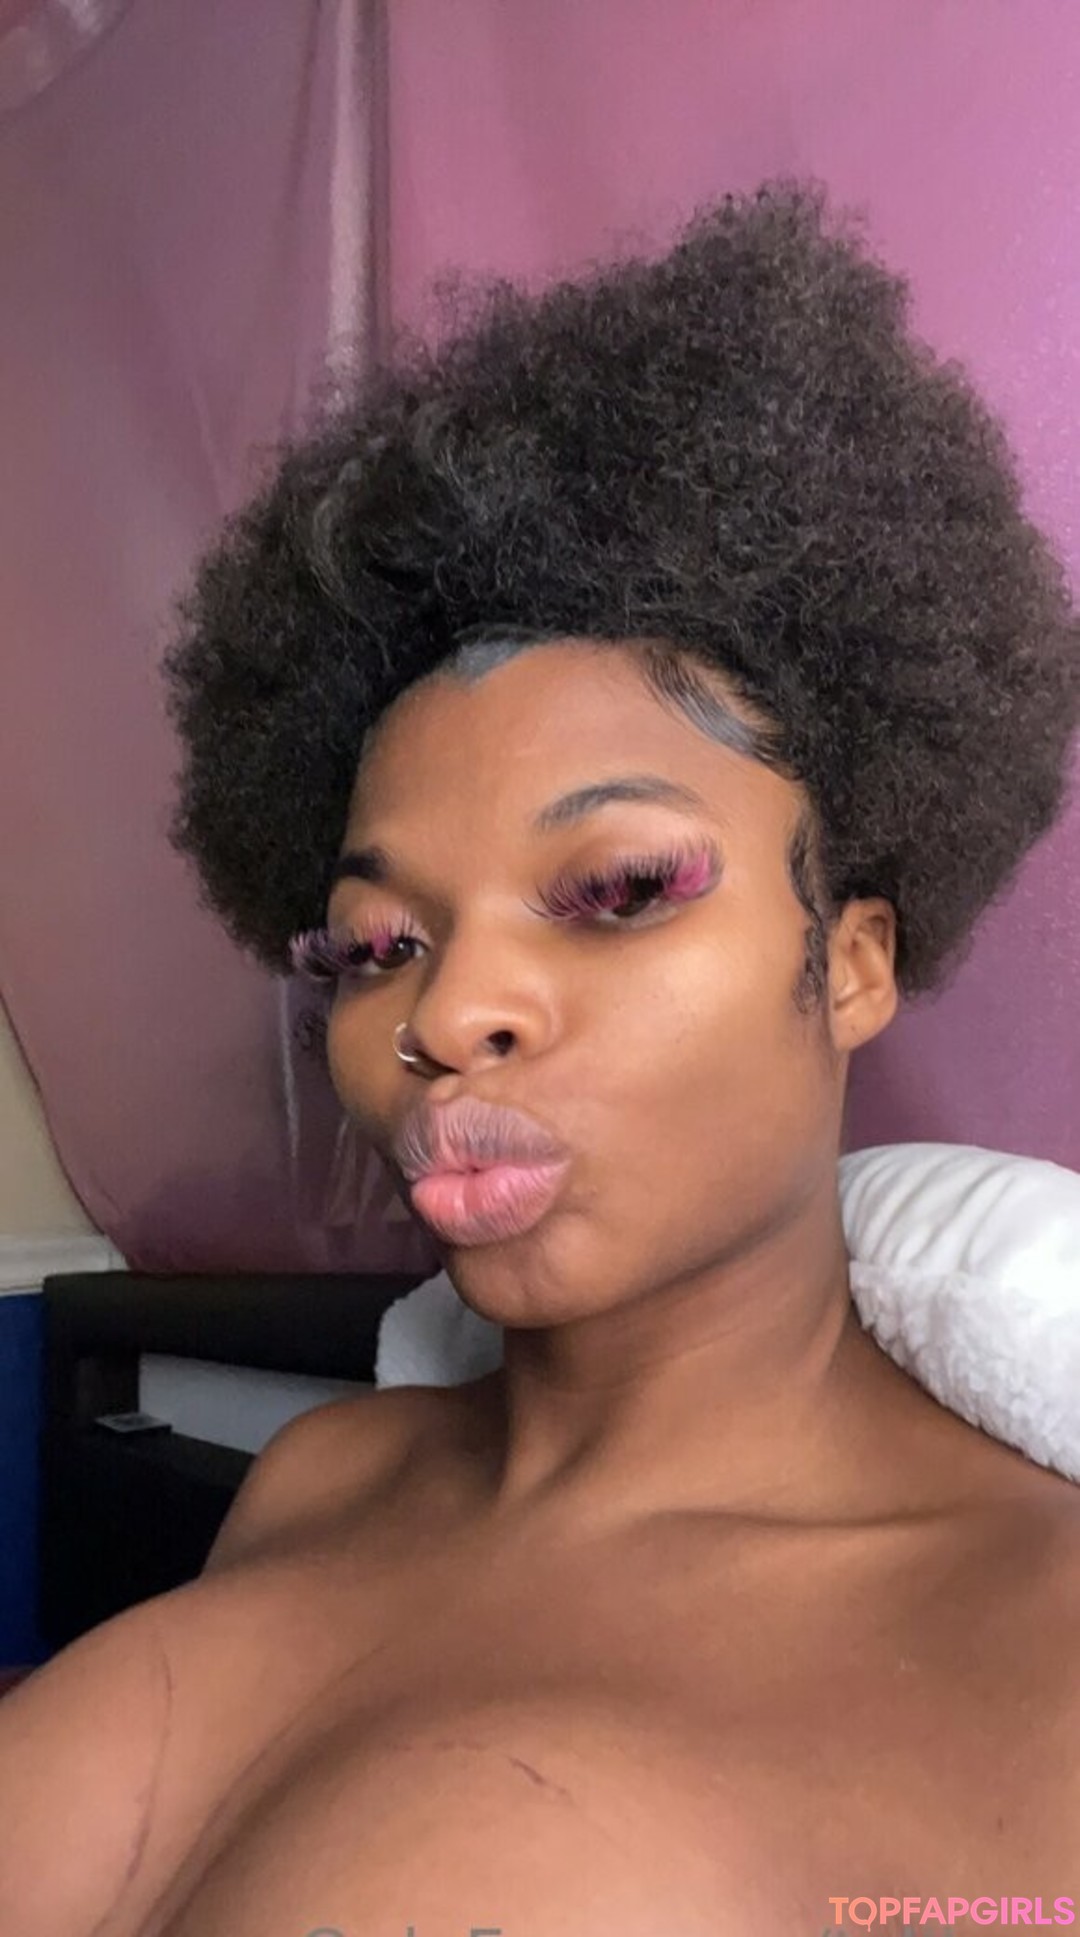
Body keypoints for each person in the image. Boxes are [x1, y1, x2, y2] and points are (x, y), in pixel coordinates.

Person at [2, 178, 1080, 1937]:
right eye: (379, 944)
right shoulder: (323, 1481)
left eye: (619, 890)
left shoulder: (1034, 1646)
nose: (442, 1017)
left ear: (852, 961)